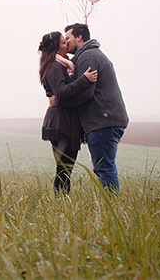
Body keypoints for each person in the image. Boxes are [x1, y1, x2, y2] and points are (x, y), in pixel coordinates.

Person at [51, 23, 129, 193]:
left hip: (103, 119)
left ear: (79, 37)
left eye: (69, 38)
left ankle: (112, 206)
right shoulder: (88, 55)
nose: (67, 43)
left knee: (104, 166)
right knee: (103, 165)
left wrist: (59, 101)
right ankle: (111, 203)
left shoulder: (88, 57)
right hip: (105, 119)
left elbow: (86, 93)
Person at [38, 31, 97, 195]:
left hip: (65, 123)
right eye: (64, 43)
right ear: (57, 48)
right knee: (64, 169)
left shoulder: (61, 65)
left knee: (65, 169)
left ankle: (62, 201)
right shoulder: (56, 67)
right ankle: (61, 202)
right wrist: (84, 79)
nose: (67, 45)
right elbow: (62, 92)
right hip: (61, 124)